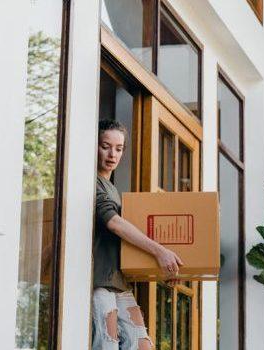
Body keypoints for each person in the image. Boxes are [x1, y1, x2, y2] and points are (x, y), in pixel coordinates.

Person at [92, 119, 183, 350]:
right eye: (105, 146)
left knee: (143, 344)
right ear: (94, 145)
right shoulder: (91, 183)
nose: (112, 154)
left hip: (119, 282)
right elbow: (114, 224)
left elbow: (127, 245)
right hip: (99, 281)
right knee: (108, 344)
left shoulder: (113, 189)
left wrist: (164, 266)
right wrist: (160, 251)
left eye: (119, 148)